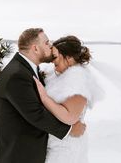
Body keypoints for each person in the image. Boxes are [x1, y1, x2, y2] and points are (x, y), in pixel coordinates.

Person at [0, 28, 86, 163]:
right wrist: (69, 130)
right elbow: (35, 113)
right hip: (15, 153)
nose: (50, 45)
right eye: (46, 43)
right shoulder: (17, 75)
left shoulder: (26, 69)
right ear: (35, 48)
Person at [34, 35, 104, 163]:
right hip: (56, 142)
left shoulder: (78, 80)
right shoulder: (59, 73)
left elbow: (70, 117)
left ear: (69, 58)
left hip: (66, 148)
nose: (52, 61)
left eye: (55, 57)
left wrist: (44, 98)